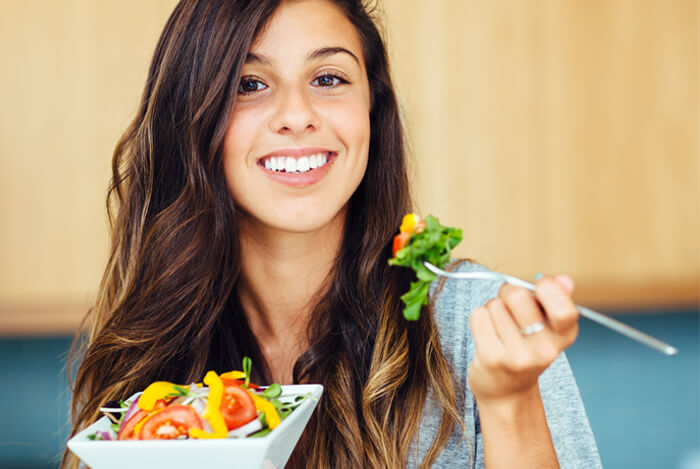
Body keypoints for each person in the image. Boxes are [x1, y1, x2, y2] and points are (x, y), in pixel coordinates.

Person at [63, 1, 602, 468]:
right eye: (249, 84)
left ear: (373, 105)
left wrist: (511, 403)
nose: (297, 115)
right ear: (192, 120)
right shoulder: (147, 350)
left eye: (328, 79)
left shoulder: (479, 326)